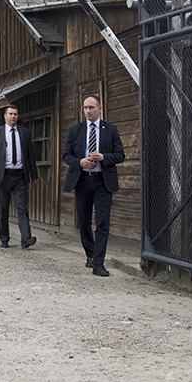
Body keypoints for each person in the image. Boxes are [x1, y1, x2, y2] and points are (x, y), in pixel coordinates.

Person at [62, 94, 124, 277]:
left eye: (91, 107)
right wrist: (80, 162)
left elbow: (120, 155)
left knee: (103, 222)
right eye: (85, 108)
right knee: (84, 221)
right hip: (82, 181)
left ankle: (99, 263)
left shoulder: (110, 130)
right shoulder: (75, 131)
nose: (88, 111)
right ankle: (90, 254)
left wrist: (104, 157)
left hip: (103, 182)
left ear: (99, 109)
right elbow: (66, 156)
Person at [0, 104, 39, 249]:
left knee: (22, 207)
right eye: (10, 114)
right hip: (3, 176)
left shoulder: (25, 133)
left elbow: (30, 156)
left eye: (15, 114)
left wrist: (34, 177)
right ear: (5, 116)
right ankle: (4, 238)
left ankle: (26, 239)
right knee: (3, 208)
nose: (13, 116)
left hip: (20, 175)